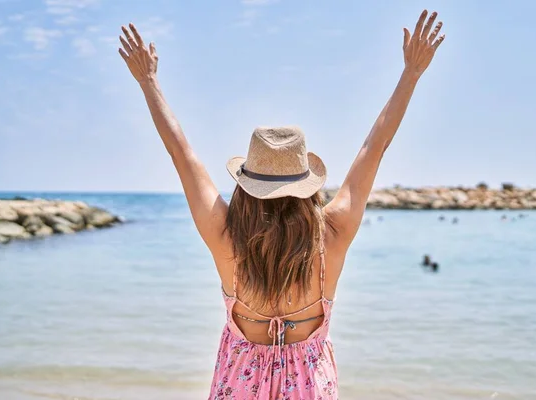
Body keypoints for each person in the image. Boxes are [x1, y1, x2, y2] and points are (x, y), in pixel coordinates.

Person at [118, 9, 445, 400]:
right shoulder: (333, 236)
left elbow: (181, 153)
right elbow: (374, 148)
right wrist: (410, 74)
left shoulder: (226, 239)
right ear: (308, 189)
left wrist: (148, 81)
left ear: (247, 186)